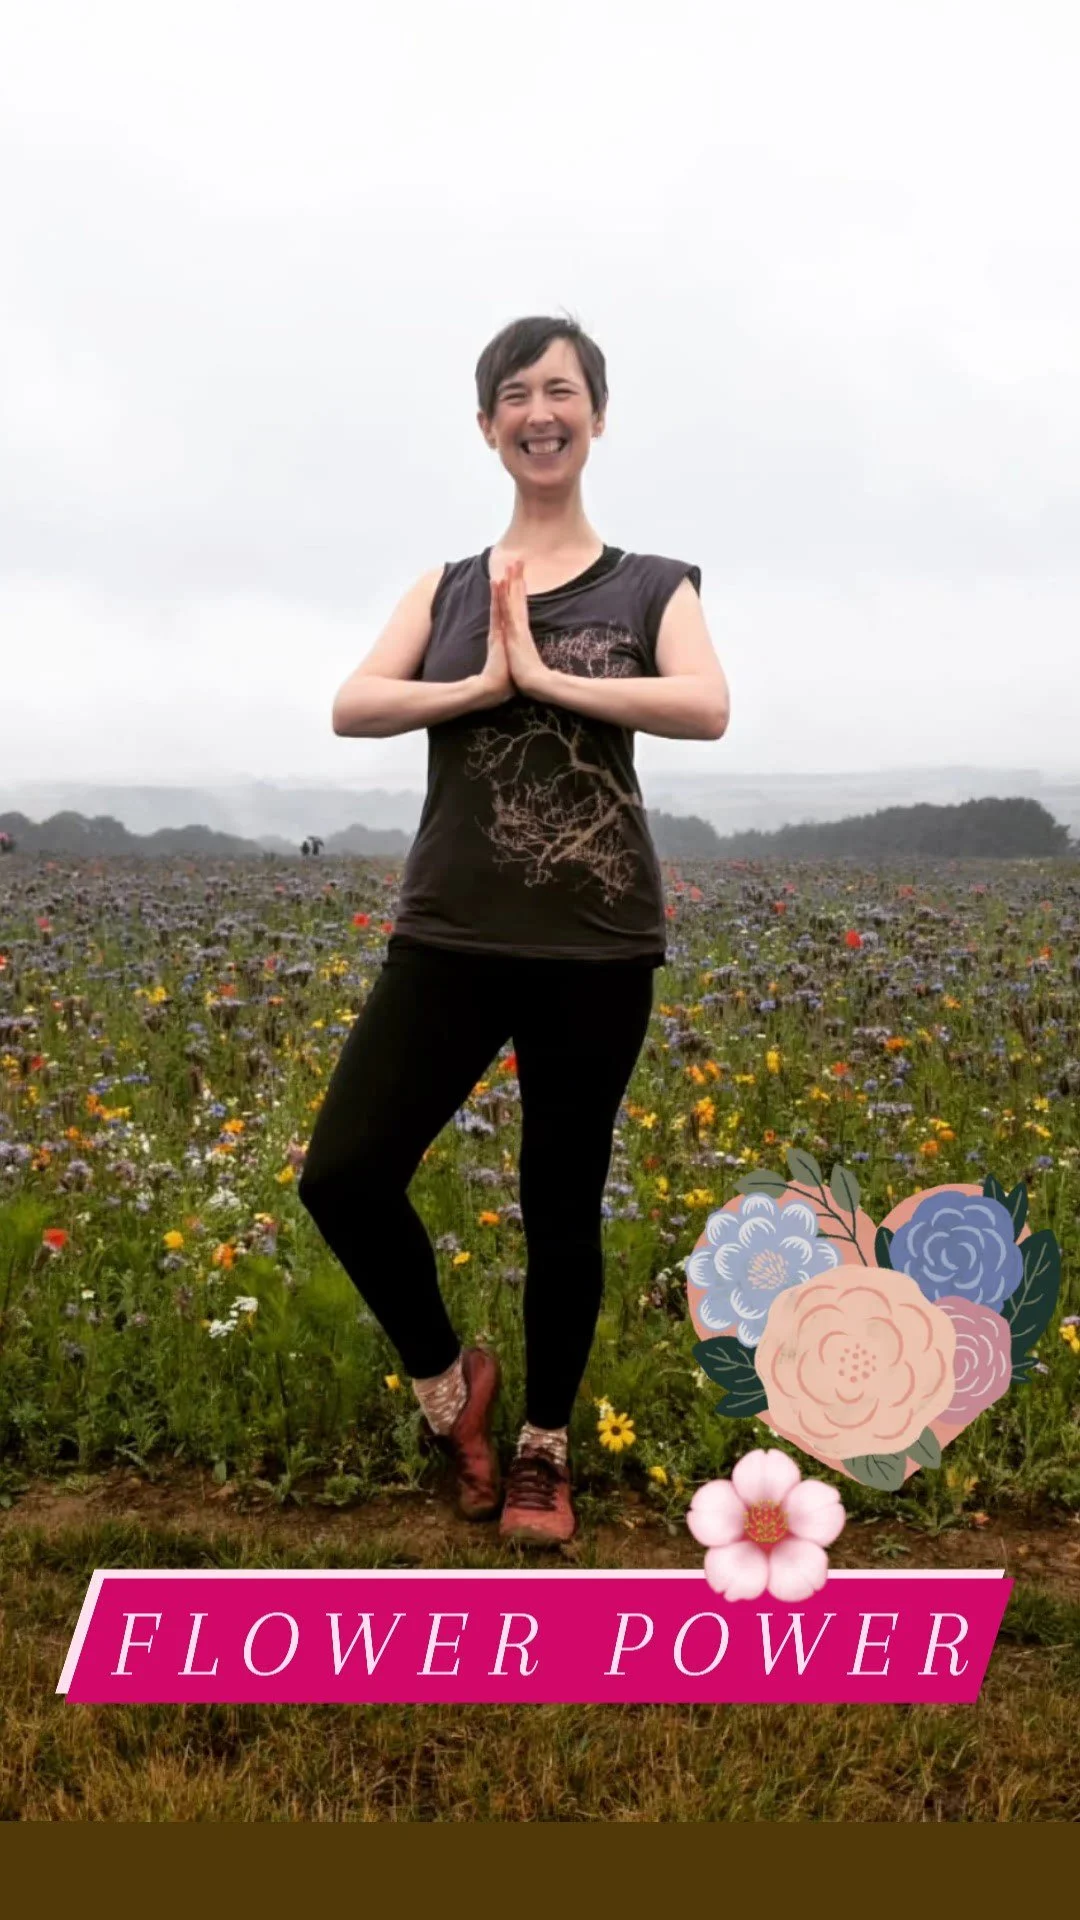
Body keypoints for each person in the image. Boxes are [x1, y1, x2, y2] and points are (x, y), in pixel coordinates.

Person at [298, 313, 729, 1546]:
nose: (541, 413)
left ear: (597, 415)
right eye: (516, 396)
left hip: (596, 943)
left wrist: (546, 678)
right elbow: (351, 703)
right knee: (344, 1175)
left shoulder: (654, 584)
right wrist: (481, 684)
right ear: (488, 427)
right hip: (449, 932)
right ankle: (452, 1392)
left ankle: (543, 1449)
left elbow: (706, 705)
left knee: (560, 1204)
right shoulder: (445, 588)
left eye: (562, 391)